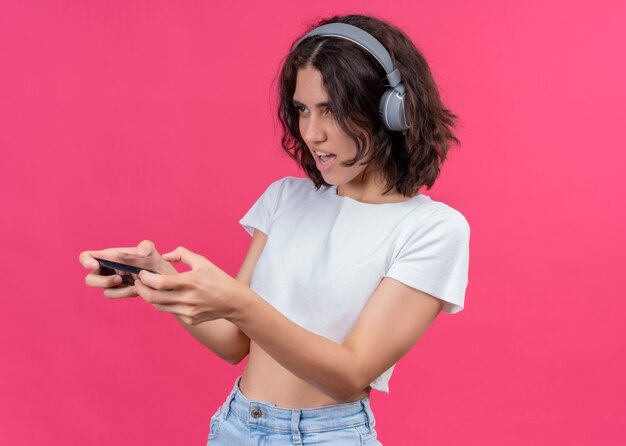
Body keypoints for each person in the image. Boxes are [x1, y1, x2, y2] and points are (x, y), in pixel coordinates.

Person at [79, 13, 470, 445]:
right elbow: (234, 343)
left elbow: (350, 375)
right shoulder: (285, 198)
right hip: (235, 425)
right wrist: (161, 278)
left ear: (390, 111)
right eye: (302, 110)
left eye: (332, 111)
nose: (312, 133)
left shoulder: (431, 229)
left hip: (328, 436)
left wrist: (239, 302)